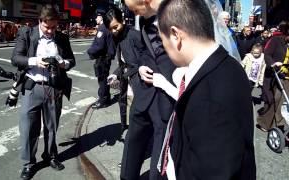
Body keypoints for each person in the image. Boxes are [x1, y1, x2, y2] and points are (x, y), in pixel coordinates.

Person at [157, 0, 256, 179]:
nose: (163, 48)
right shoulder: (230, 65)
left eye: (161, 40)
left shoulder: (209, 95)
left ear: (175, 35)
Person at [11, 4, 75, 179]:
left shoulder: (61, 38)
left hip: (54, 88)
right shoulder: (27, 33)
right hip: (32, 87)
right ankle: (28, 163)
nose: (50, 31)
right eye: (47, 27)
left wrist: (64, 64)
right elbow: (15, 58)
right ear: (40, 21)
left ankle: (50, 155)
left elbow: (72, 60)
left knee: (52, 126)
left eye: (54, 27)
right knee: (28, 128)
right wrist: (35, 61)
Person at [120, 0, 176, 179]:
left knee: (160, 149)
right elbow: (145, 50)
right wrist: (141, 67)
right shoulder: (145, 20)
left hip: (168, 93)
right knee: (133, 140)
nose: (135, 13)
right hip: (145, 90)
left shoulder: (180, 12)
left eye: (135, 8)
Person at [103, 7, 143, 133]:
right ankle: (127, 129)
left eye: (116, 27)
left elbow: (141, 63)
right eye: (111, 29)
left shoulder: (134, 35)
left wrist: (123, 75)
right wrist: (115, 75)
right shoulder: (118, 37)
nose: (114, 31)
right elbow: (123, 63)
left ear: (123, 21)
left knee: (137, 113)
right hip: (127, 79)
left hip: (138, 81)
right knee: (125, 103)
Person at [256, 21, 289, 132]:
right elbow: (267, 54)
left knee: (284, 101)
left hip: (287, 76)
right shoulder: (276, 40)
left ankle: (279, 124)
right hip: (276, 74)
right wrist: (273, 63)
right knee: (277, 100)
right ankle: (271, 124)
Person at [87, 12, 116, 109]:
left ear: (101, 18)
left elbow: (99, 46)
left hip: (102, 58)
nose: (95, 19)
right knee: (104, 78)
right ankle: (105, 98)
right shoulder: (107, 27)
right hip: (106, 57)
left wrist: (90, 51)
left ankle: (103, 100)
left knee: (102, 79)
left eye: (97, 17)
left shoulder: (102, 28)